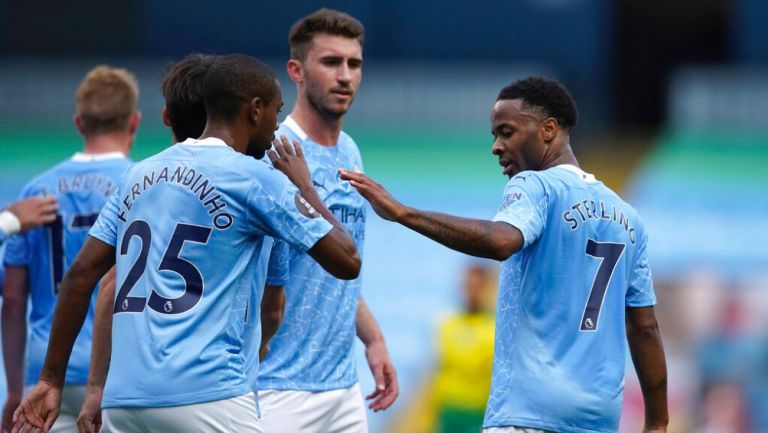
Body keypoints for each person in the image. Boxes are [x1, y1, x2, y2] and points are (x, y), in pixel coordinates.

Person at [12, 54, 360, 433]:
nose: (278, 128)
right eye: (276, 113)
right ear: (254, 110)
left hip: (124, 402)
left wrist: (50, 380)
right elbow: (347, 260)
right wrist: (305, 186)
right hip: (208, 395)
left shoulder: (138, 174)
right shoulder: (257, 179)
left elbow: (82, 276)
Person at [340, 77, 669, 433]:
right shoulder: (628, 218)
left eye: (507, 132)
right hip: (599, 419)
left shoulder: (535, 185)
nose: (497, 147)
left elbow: (501, 241)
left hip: (528, 414)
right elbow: (645, 327)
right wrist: (657, 423)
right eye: (495, 135)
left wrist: (404, 213)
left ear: (548, 130)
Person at [257, 9, 398, 433]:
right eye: (330, 62)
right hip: (276, 386)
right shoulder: (274, 154)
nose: (345, 75)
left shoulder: (350, 152)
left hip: (343, 391)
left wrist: (372, 339)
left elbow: (338, 269)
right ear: (296, 70)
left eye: (353, 64)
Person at [2, 65, 139, 433]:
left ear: (79, 123)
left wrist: (16, 390)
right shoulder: (143, 185)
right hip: (117, 375)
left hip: (45, 371)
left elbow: (13, 299)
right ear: (134, 122)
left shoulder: (35, 192)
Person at [433, 264, 495, 433]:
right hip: (449, 410)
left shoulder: (495, 328)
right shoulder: (447, 324)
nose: (472, 292)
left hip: (480, 413)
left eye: (477, 287)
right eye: (468, 286)